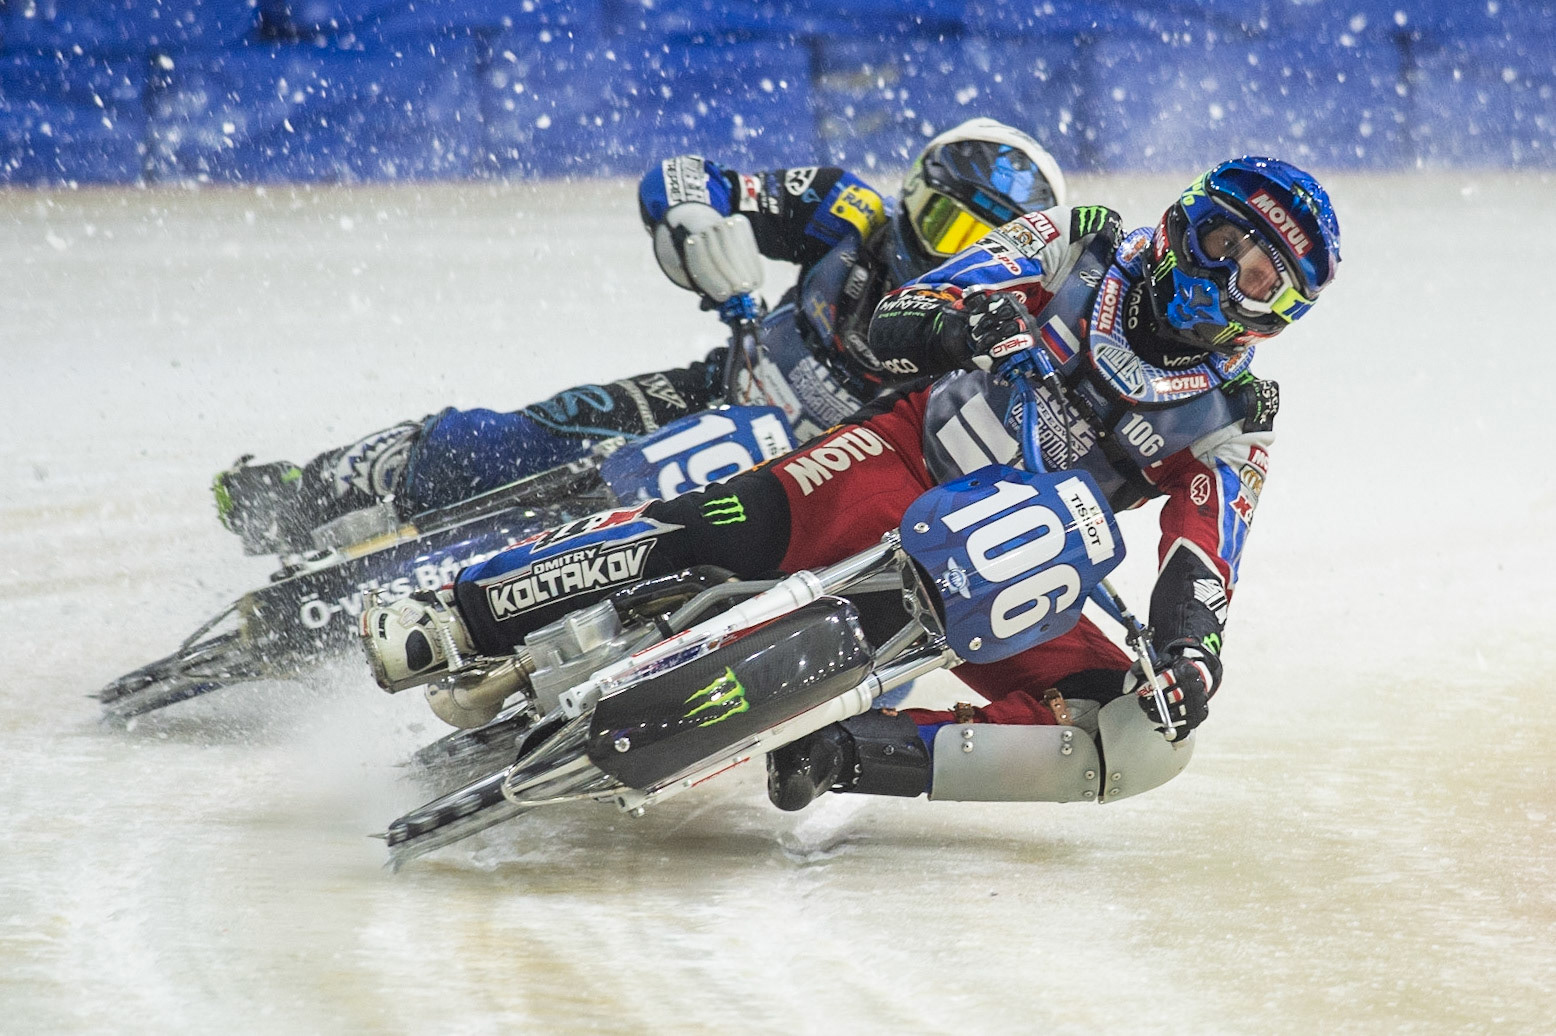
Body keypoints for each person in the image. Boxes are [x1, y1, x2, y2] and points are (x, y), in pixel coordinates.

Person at [362, 155, 1340, 810]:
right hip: (900, 461)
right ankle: (460, 612)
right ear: (1181, 223)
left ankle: (847, 751)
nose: (1224, 279)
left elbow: (1205, 558)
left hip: (1013, 573)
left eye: (1257, 276)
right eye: (1221, 243)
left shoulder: (1237, 419)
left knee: (1141, 740)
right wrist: (974, 322)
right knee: (719, 527)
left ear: (1277, 313)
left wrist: (1187, 658)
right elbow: (908, 312)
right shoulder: (1080, 240)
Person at [212, 119, 1068, 555]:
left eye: (981, 245)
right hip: (714, 391)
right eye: (942, 222)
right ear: (911, 191)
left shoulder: (1004, 324)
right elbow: (682, 178)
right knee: (496, 440)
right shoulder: (843, 209)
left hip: (818, 484)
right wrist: (699, 225)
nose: (951, 254)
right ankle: (310, 492)